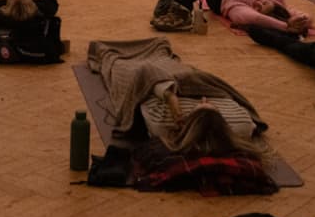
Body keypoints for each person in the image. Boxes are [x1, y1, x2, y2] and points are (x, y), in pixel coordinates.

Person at [87, 37, 267, 161]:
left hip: (150, 84)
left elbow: (145, 73)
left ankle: (108, 53)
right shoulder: (242, 126)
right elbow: (219, 88)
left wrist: (170, 96)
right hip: (188, 80)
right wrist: (189, 84)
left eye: (200, 106)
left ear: (188, 123)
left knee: (122, 65)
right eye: (211, 105)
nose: (204, 99)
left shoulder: (164, 126)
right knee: (161, 48)